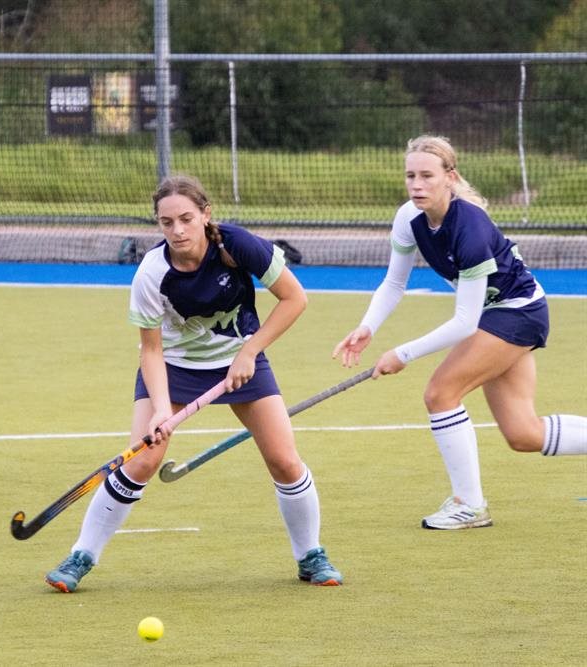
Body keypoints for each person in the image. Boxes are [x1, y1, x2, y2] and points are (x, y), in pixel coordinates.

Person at [44, 175, 343, 592]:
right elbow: (150, 351)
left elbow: (295, 299)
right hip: (174, 366)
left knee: (285, 461)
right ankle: (81, 557)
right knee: (142, 460)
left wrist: (248, 353)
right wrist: (163, 410)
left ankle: (311, 556)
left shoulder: (237, 246)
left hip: (241, 359)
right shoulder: (151, 273)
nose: (178, 230)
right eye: (167, 223)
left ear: (205, 214)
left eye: (186, 218)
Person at [333, 135, 587, 530]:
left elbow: (466, 322)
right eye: (410, 176)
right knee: (523, 434)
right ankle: (470, 503)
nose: (417, 185)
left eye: (427, 176)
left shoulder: (469, 228)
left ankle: (469, 505)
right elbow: (394, 283)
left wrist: (403, 353)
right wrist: (368, 326)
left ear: (449, 177)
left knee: (440, 393)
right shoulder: (408, 218)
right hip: (497, 315)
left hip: (516, 312)